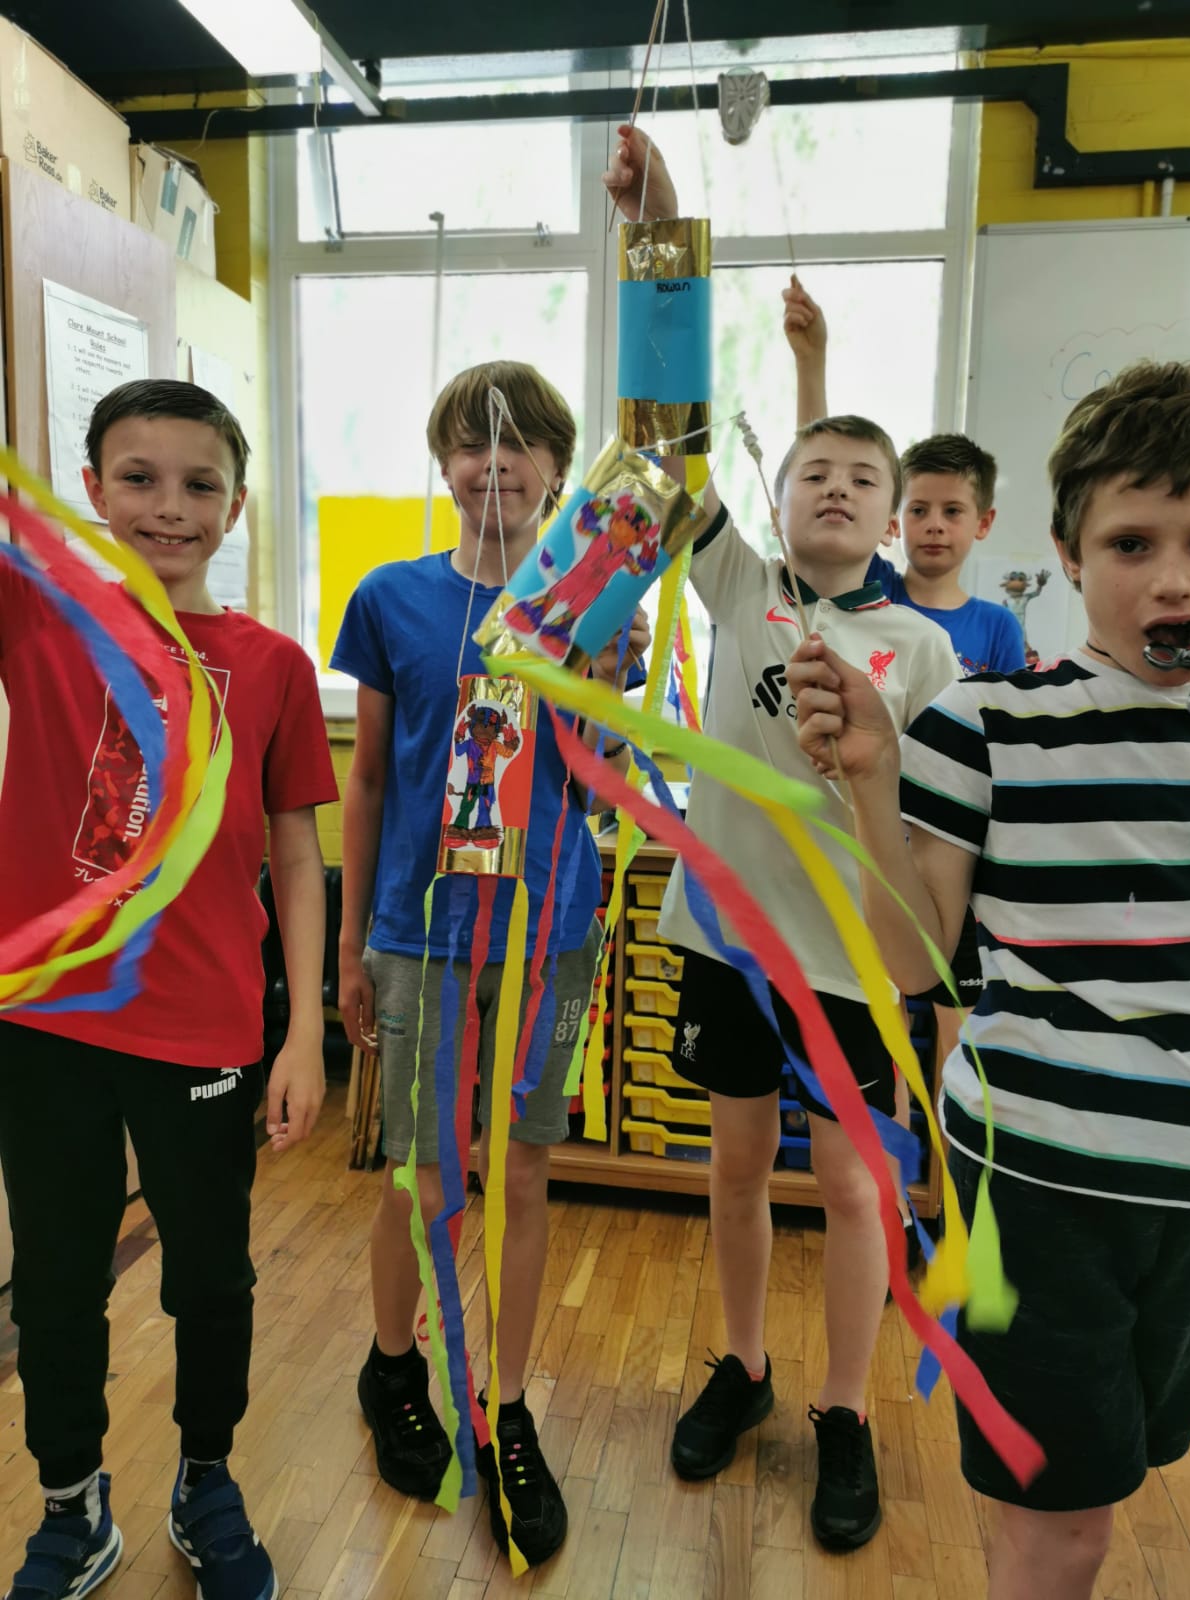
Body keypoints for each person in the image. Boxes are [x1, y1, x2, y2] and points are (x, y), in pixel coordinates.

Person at [788, 358, 1190, 1600]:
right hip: (1037, 1186)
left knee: (1142, 1461)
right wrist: (870, 782)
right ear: (1071, 555)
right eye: (1133, 541)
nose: (1174, 578)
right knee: (1058, 1523)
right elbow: (913, 957)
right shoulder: (989, 722)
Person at [603, 125, 960, 1552]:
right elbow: (662, 437)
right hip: (727, 948)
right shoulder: (736, 581)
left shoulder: (923, 653)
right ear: (784, 494)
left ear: (894, 516)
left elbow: (930, 836)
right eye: (811, 468)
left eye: (860, 481)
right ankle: (744, 1369)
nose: (833, 487)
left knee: (857, 1190)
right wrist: (667, 224)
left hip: (857, 971)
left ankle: (847, 1410)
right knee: (735, 1172)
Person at [0, 380, 338, 1600]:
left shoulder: (274, 666)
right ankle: (70, 1500)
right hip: (43, 1027)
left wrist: (303, 1029)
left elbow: (297, 854)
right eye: (137, 478)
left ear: (238, 502)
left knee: (209, 1274)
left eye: (201, 484)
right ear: (88, 490)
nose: (170, 506)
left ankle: (205, 1472)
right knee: (55, 1281)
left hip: (205, 1027)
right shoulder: (37, 615)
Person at [334, 360, 648, 1568]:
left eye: (519, 444)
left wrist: (608, 692)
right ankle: (395, 1365)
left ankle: (509, 1404)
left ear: (562, 471)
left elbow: (616, 776)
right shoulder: (394, 598)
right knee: (420, 1174)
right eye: (472, 442)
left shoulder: (596, 603)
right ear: (445, 464)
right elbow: (366, 781)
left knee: (521, 1171)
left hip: (551, 935)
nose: (495, 461)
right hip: (420, 938)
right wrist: (359, 940)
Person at [786, 283, 1024, 1062]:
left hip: (953, 854)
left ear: (981, 524)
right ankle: (902, 1154)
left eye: (952, 513)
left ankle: (940, 1179)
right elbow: (819, 483)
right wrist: (811, 364)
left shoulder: (994, 627)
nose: (932, 526)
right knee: (889, 1022)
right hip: (876, 846)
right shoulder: (874, 600)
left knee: (952, 1027)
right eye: (918, 509)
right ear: (896, 522)